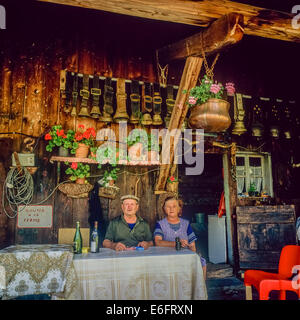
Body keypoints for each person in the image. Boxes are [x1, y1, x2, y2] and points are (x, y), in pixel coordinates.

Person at [154, 196, 207, 279]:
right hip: (167, 257)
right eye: (168, 206)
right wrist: (176, 244)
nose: (171, 209)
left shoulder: (186, 224)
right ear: (164, 209)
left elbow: (192, 245)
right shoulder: (160, 224)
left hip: (184, 256)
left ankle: (199, 289)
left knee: (201, 262)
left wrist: (191, 251)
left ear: (179, 209)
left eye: (174, 206)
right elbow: (158, 242)